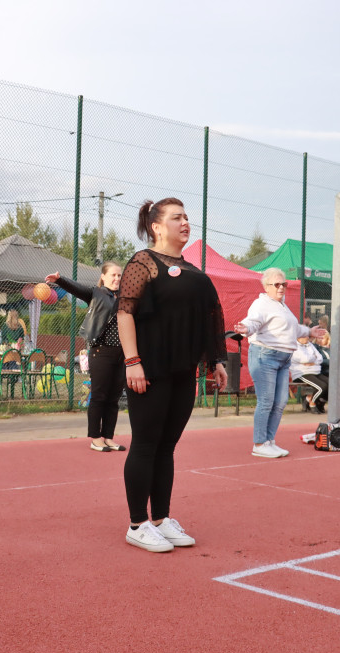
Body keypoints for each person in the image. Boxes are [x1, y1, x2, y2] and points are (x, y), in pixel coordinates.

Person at [117, 198, 227, 553]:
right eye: (176, 217)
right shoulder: (142, 262)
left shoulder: (193, 270)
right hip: (149, 370)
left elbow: (212, 315)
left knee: (167, 447)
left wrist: (216, 361)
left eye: (187, 217)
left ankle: (161, 519)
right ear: (156, 226)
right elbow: (125, 313)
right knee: (146, 444)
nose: (185, 223)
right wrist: (133, 361)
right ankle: (137, 524)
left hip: (184, 372)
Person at [234, 268, 325, 459]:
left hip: (284, 360)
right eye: (276, 284)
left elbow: (291, 329)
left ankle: (269, 441)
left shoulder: (282, 305)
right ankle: (259, 444)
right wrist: (245, 328)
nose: (281, 287)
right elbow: (253, 322)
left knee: (281, 401)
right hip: (265, 356)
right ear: (266, 287)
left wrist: (310, 332)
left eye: (284, 284)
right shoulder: (262, 304)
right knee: (266, 401)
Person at [46, 262, 128, 452]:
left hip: (120, 353)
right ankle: (95, 438)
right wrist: (60, 280)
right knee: (99, 395)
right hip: (101, 351)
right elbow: (77, 289)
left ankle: (108, 437)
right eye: (113, 275)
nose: (117, 279)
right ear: (104, 277)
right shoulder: (97, 293)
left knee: (114, 398)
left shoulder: (124, 297)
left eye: (119, 276)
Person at [290, 334, 326, 413]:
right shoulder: (294, 346)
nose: (307, 338)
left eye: (307, 336)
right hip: (302, 373)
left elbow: (320, 358)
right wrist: (313, 358)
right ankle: (312, 403)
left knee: (331, 385)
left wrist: (313, 361)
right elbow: (305, 359)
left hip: (315, 371)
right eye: (304, 336)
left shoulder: (310, 345)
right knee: (322, 387)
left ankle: (307, 399)